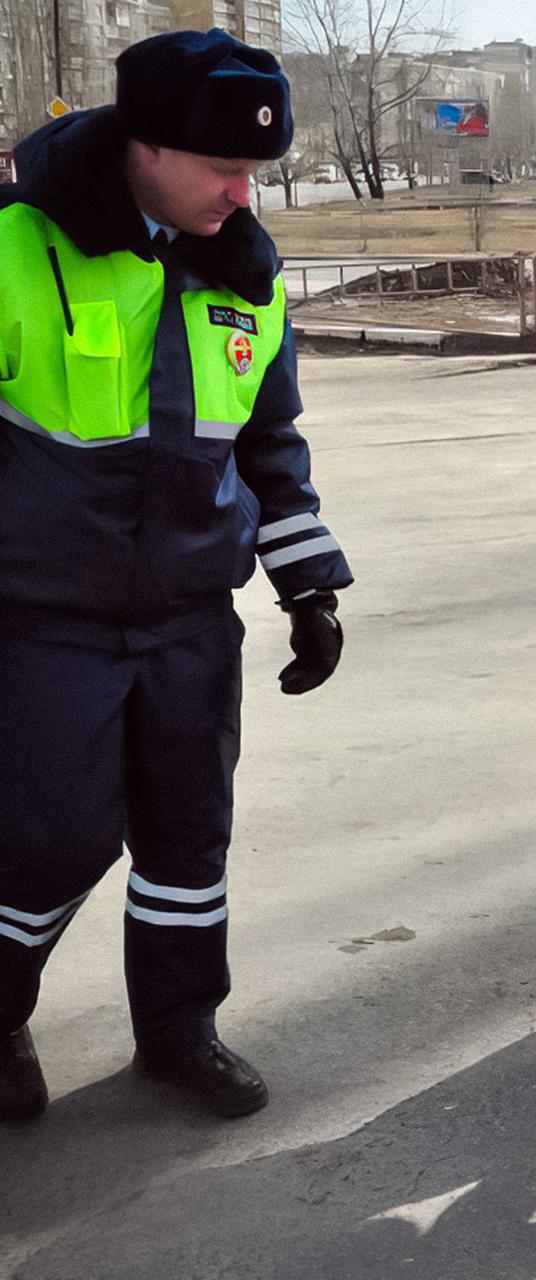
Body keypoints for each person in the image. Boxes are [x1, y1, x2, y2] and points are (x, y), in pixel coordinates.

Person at [0, 29, 353, 1122]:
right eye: (220, 168)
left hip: (193, 618)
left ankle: (179, 1029)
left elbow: (269, 440)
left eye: (255, 171)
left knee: (188, 838)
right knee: (47, 842)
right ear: (142, 144)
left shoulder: (245, 267)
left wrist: (308, 584)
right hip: (43, 620)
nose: (242, 193)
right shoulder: (18, 246)